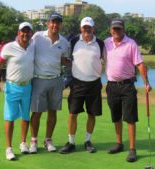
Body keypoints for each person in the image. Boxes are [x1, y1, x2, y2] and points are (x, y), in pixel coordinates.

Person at [104, 18, 152, 162]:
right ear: (110, 30)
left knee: (130, 118)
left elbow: (140, 65)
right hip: (111, 86)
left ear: (123, 30)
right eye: (114, 29)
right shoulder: (106, 43)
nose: (116, 31)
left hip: (127, 86)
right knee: (116, 117)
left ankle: (132, 149)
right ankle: (119, 143)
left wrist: (147, 83)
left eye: (119, 28)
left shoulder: (131, 44)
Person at [59, 17, 104, 154]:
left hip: (94, 84)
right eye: (84, 27)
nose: (87, 30)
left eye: (89, 27)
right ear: (80, 28)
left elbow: (108, 60)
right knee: (73, 114)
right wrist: (72, 66)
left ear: (93, 28)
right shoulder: (73, 42)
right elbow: (64, 58)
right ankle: (71, 142)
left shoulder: (100, 44)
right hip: (77, 83)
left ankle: (87, 141)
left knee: (92, 113)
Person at [29, 13, 70, 153]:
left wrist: (79, 65)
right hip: (39, 79)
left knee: (53, 112)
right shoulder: (38, 37)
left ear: (61, 25)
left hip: (56, 80)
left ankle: (48, 140)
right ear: (48, 23)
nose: (55, 25)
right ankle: (33, 141)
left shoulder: (64, 42)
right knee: (37, 112)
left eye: (58, 22)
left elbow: (65, 60)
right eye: (52, 22)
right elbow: (27, 49)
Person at [0, 22, 34, 160]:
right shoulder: (9, 47)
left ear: (31, 34)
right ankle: (9, 148)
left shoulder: (32, 46)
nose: (25, 34)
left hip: (28, 86)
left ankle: (23, 143)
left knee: (25, 117)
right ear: (18, 33)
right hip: (12, 87)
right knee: (10, 118)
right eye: (23, 31)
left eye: (28, 32)